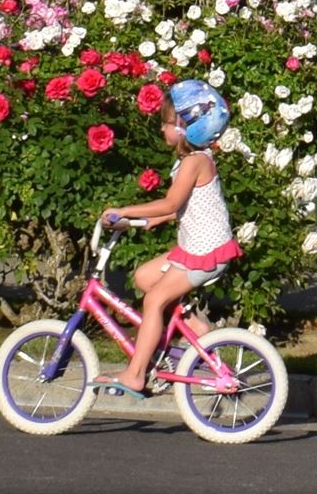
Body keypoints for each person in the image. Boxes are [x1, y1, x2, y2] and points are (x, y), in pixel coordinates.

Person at [92, 78, 242, 397]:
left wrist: (124, 209)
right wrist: (141, 221)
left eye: (167, 123)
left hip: (205, 252)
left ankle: (135, 375)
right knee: (145, 277)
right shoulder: (191, 161)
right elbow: (178, 210)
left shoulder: (194, 162)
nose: (162, 129)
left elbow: (172, 203)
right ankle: (197, 332)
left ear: (189, 127)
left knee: (154, 300)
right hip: (197, 247)